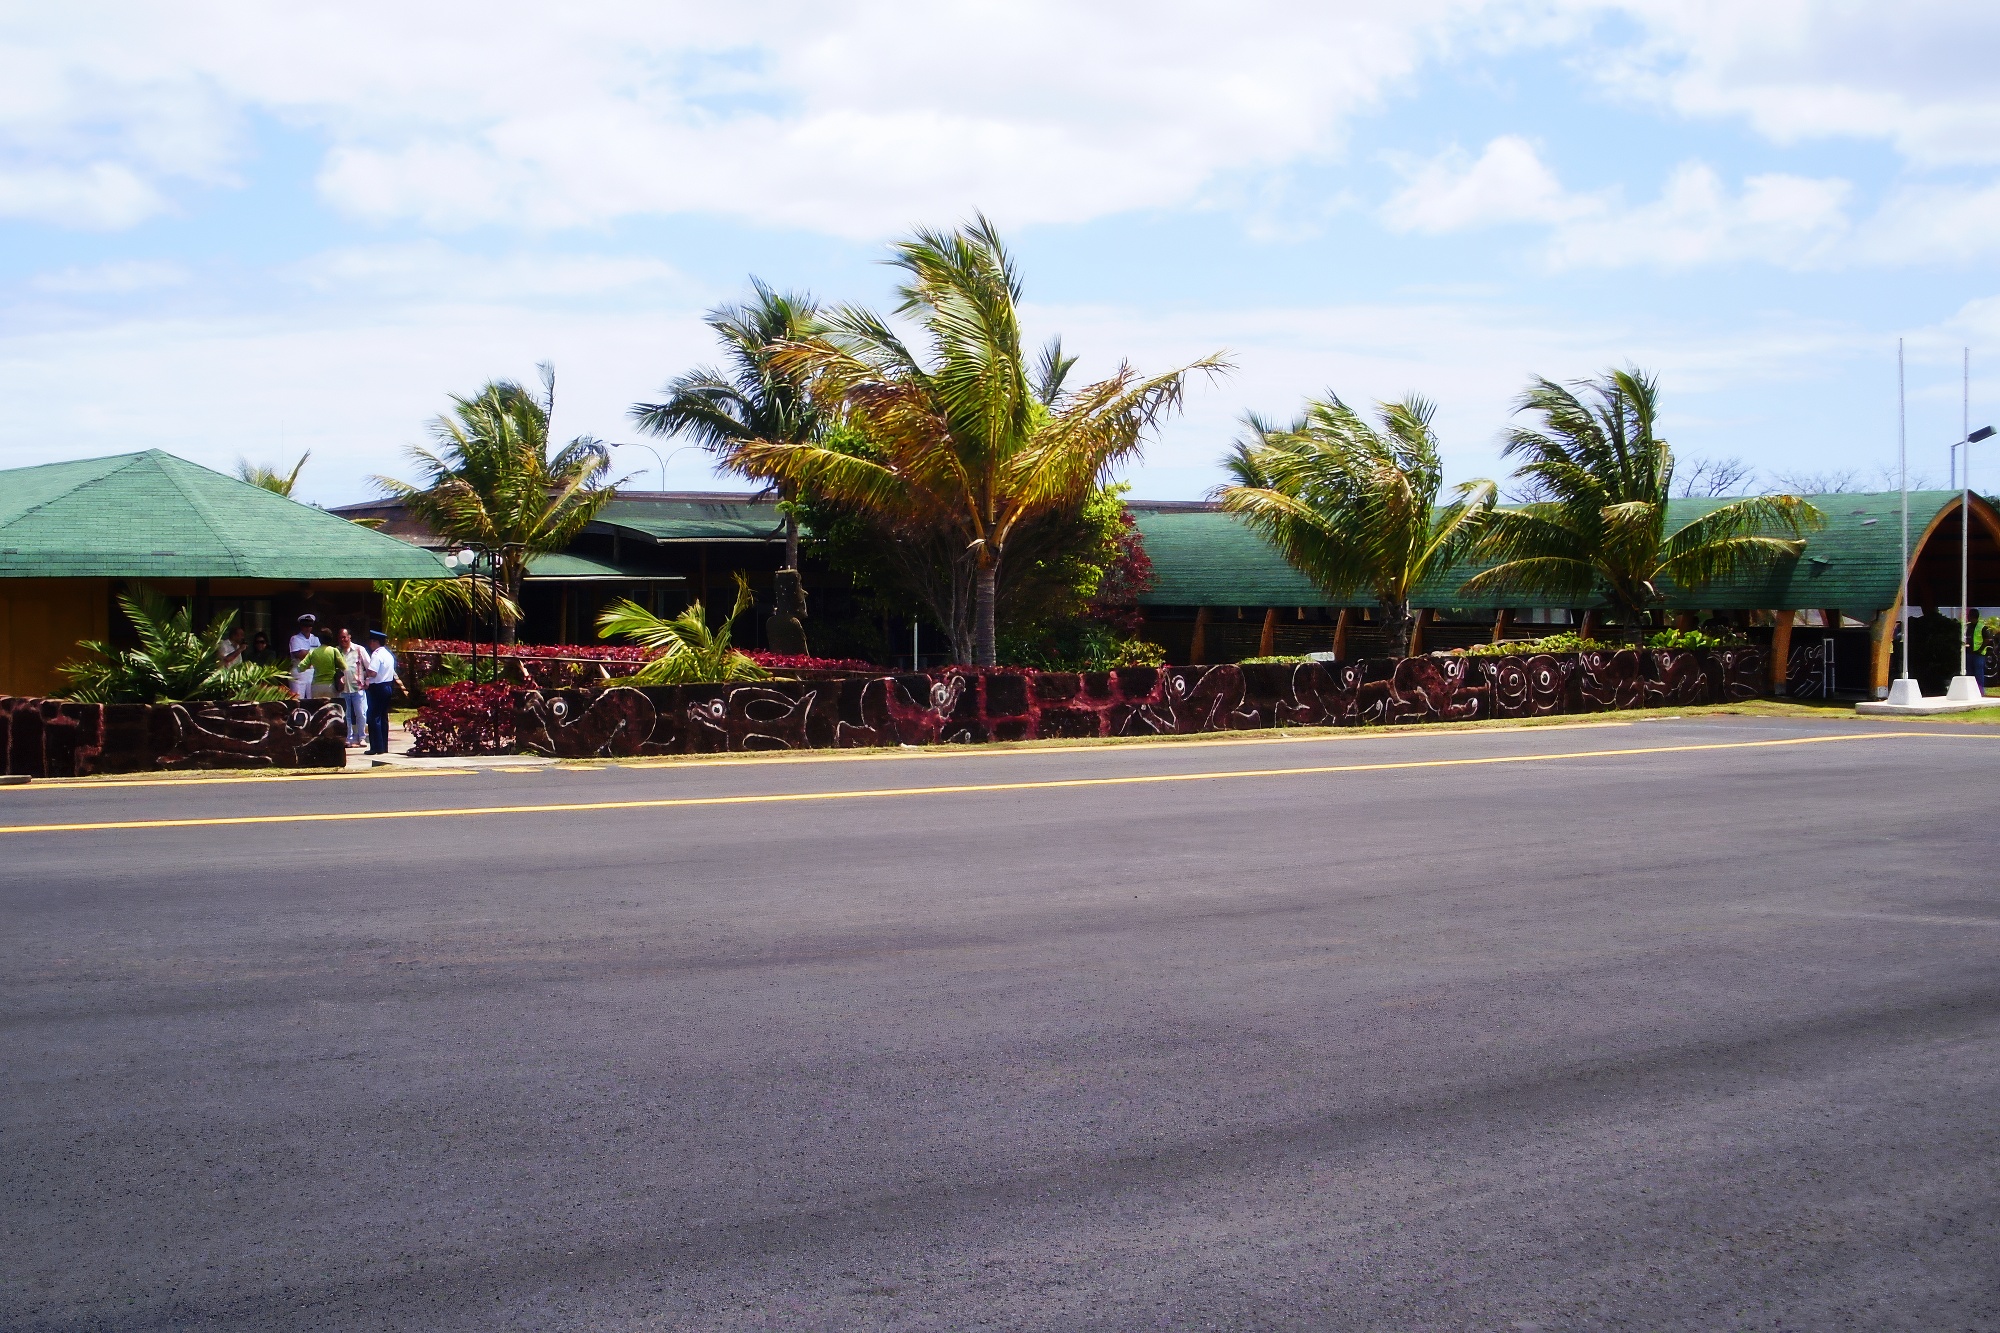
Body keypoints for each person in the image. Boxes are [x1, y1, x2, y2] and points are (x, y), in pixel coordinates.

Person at [362, 629, 398, 756]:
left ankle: (376, 747)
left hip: (377, 687)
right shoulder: (388, 654)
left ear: (375, 642)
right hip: (387, 686)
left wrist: (363, 674)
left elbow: (373, 672)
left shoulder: (376, 655)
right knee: (383, 717)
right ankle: (383, 746)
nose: (370, 644)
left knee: (373, 717)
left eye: (372, 641)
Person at [335, 627, 368, 747]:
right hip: (343, 689)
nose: (342, 640)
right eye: (340, 638)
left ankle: (362, 737)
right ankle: (348, 737)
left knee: (361, 713)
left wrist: (368, 680)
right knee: (346, 715)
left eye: (344, 637)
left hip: (357, 687)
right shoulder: (336, 651)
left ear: (349, 637)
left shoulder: (359, 650)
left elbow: (369, 666)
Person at [299, 637, 346, 701]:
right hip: (331, 686)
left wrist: (312, 664)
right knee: (332, 709)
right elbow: (344, 666)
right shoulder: (334, 650)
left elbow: (300, 668)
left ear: (319, 640)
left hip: (316, 687)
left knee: (317, 709)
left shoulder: (313, 652)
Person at [287, 614, 321, 700]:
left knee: (313, 699)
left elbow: (320, 654)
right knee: (297, 699)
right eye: (305, 625)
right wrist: (314, 653)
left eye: (310, 625)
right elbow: (300, 655)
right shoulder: (295, 639)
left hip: (312, 672)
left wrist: (308, 652)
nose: (307, 628)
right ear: (301, 626)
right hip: (299, 672)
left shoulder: (315, 639)